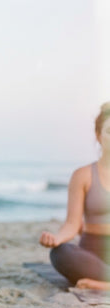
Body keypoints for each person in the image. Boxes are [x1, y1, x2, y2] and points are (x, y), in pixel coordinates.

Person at [39, 102, 110, 291]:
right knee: (60, 253)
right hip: (92, 253)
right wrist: (56, 238)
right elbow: (72, 224)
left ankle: (103, 284)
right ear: (98, 136)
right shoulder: (83, 175)